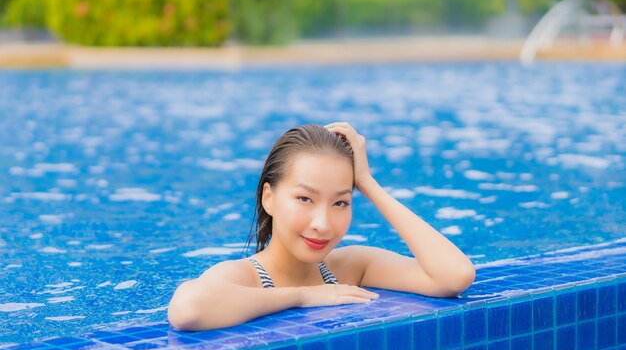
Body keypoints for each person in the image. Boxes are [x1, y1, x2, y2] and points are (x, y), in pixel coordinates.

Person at [168, 122, 475, 331]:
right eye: (304, 198)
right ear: (269, 198)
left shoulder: (352, 266)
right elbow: (188, 309)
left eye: (340, 202)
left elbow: (455, 276)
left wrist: (367, 182)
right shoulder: (243, 276)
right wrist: (303, 296)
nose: (322, 224)